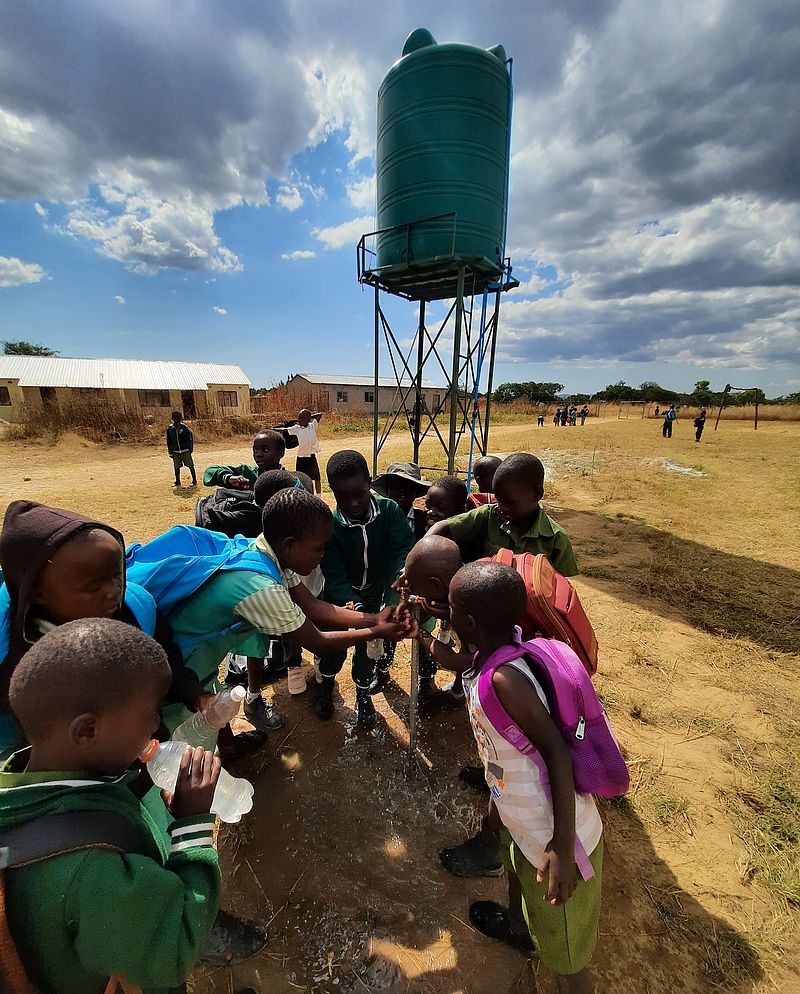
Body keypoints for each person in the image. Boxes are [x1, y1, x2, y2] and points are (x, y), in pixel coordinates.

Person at [0, 618, 264, 994]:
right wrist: (192, 828)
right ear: (88, 730)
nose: (158, 723)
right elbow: (172, 948)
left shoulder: (32, 777)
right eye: (152, 711)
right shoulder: (89, 872)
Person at [438, 562, 603, 994]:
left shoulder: (507, 679)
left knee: (566, 959)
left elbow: (557, 753)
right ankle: (518, 928)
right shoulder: (494, 652)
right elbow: (465, 658)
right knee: (515, 874)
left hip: (558, 842)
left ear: (470, 623)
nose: (446, 614)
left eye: (450, 609)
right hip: (521, 822)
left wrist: (561, 849)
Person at [166, 487, 410, 734]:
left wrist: (374, 618)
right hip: (180, 658)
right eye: (319, 548)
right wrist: (377, 631)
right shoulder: (262, 588)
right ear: (290, 544)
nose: (323, 555)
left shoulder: (268, 553)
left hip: (198, 652)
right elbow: (319, 641)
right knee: (186, 732)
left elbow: (314, 607)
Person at [0, 501, 210, 757]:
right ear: (37, 592)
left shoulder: (134, 610)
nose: (112, 592)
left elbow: (166, 657)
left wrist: (194, 694)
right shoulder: (16, 660)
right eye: (92, 587)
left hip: (146, 752)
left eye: (116, 575)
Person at [317, 450, 415, 728]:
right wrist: (351, 603)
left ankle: (363, 694)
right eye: (343, 497)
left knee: (368, 647)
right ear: (332, 492)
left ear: (369, 481)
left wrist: (393, 598)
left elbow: (401, 554)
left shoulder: (389, 512)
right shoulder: (331, 525)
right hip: (339, 598)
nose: (354, 503)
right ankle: (325, 685)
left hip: (376, 592)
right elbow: (332, 571)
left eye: (360, 493)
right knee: (333, 647)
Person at [427, 453, 578, 577]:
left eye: (510, 503)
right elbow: (443, 526)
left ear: (537, 494)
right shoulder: (489, 515)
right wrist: (419, 556)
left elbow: (562, 590)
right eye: (498, 501)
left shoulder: (556, 538)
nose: (502, 507)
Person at [203, 429, 285, 490]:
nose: (258, 454)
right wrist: (228, 478)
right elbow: (209, 472)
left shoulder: (289, 480)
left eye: (265, 450)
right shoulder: (247, 473)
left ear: (281, 453)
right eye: (255, 450)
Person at [371, 461, 430, 540]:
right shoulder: (376, 518)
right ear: (387, 489)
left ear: (416, 490)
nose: (402, 490)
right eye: (395, 486)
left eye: (408, 485)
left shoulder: (423, 520)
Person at [279, 409, 323, 494]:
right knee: (301, 478)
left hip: (311, 456)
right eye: (298, 418)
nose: (299, 420)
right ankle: (304, 495)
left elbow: (320, 414)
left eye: (302, 418)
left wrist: (310, 417)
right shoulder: (297, 428)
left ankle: (319, 497)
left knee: (317, 478)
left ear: (308, 419)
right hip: (301, 458)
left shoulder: (312, 425)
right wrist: (273, 429)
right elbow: (284, 429)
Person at [167, 411, 197, 488]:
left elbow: (187, 437)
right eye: (175, 418)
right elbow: (169, 441)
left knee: (190, 465)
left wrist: (180, 430)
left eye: (178, 418)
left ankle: (194, 480)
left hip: (185, 451)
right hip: (175, 452)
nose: (177, 420)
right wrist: (170, 452)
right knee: (176, 467)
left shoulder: (184, 427)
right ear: (172, 419)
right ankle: (177, 481)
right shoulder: (170, 429)